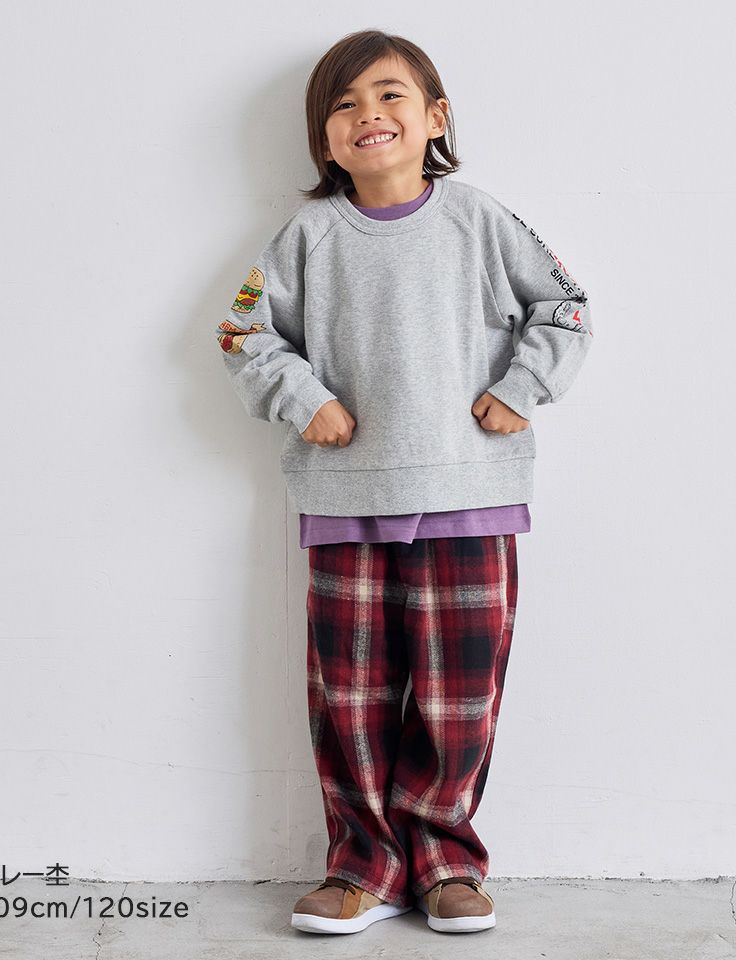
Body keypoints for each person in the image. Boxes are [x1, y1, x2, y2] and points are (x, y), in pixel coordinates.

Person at [215, 29, 593, 937]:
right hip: (346, 502)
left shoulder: (481, 220)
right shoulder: (307, 236)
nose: (368, 115)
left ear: (436, 117)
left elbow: (567, 307)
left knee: (459, 698)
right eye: (343, 105)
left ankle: (445, 860)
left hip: (472, 493)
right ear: (324, 137)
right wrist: (304, 398)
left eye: (390, 95)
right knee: (351, 698)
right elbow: (239, 332)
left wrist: (520, 389)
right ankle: (362, 864)